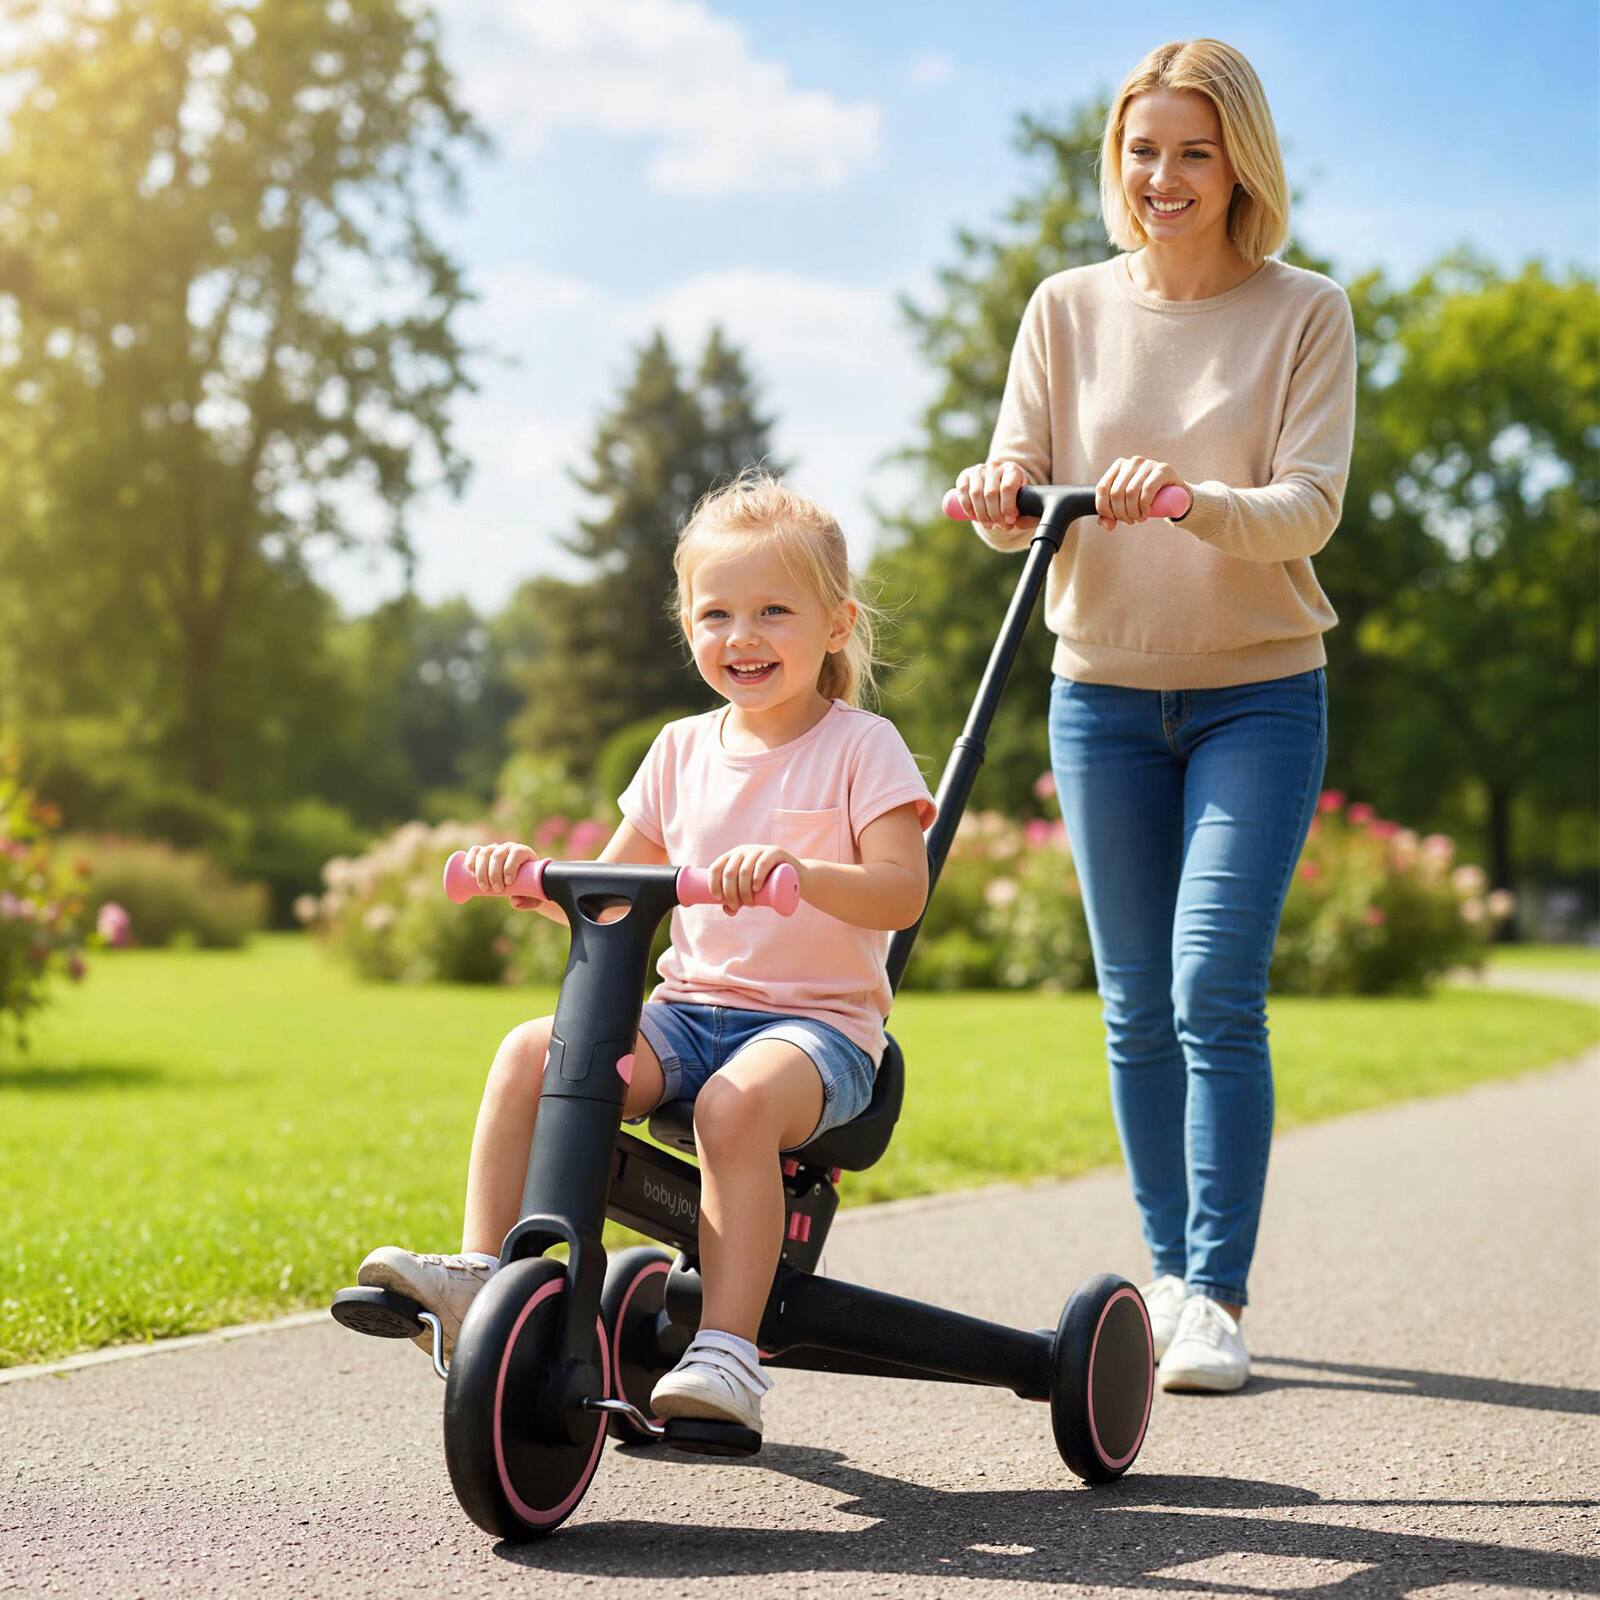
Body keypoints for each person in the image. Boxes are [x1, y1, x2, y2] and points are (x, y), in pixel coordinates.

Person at [358, 472, 934, 1434]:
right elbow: (616, 897)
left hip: (819, 1033)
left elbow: (901, 891)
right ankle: (481, 1275)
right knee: (532, 1052)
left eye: (773, 611)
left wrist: (801, 871)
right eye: (716, 614)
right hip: (685, 1015)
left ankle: (729, 1353)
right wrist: (531, 879)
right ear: (687, 625)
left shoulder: (861, 746)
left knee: (732, 1106)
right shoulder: (678, 750)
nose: (741, 635)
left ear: (836, 624)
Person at [954, 38, 1355, 1393]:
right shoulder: (1065, 306)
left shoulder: (1305, 312)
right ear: (1115, 161)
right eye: (1143, 151)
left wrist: (1189, 499)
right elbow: (1020, 482)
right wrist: (999, 492)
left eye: (1194, 151)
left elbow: (1310, 504)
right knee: (1133, 1005)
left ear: (1241, 162)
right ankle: (1172, 1272)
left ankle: (1219, 1298)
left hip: (1259, 691)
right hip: (1101, 697)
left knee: (1208, 987)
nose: (1164, 177)